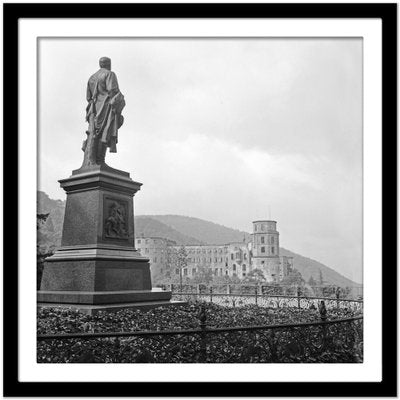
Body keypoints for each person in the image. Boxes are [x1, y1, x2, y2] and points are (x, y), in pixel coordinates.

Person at [81, 57, 125, 166]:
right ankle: (100, 160)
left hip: (94, 109)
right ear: (108, 64)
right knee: (106, 131)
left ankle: (94, 160)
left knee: (95, 133)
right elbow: (113, 90)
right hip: (106, 107)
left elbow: (88, 97)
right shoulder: (110, 74)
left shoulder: (91, 78)